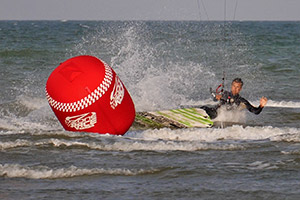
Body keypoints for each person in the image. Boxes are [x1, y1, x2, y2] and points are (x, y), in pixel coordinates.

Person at [202, 78, 268, 119]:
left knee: (212, 114)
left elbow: (255, 111)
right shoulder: (224, 93)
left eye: (237, 87)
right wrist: (216, 97)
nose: (234, 88)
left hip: (219, 116)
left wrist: (261, 106)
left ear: (240, 89)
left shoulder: (241, 100)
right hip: (214, 111)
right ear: (231, 86)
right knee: (204, 108)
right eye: (233, 86)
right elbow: (215, 99)